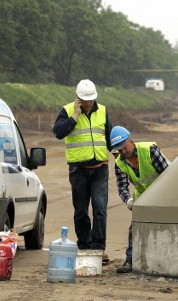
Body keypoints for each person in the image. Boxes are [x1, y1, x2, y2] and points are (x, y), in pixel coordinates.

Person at [53, 79, 112, 263]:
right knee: (80, 210)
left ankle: (99, 248)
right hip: (78, 170)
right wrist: (75, 117)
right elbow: (58, 132)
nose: (88, 103)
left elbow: (110, 137)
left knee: (100, 208)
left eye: (90, 99)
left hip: (100, 168)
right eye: (84, 100)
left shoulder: (102, 111)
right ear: (77, 98)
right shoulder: (67, 111)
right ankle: (85, 246)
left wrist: (119, 154)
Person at [110, 125, 169, 273]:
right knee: (134, 228)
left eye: (125, 147)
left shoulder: (149, 151)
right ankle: (130, 260)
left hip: (165, 193)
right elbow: (122, 187)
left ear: (131, 141)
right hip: (143, 196)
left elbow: (168, 175)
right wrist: (129, 200)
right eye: (120, 150)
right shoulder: (119, 164)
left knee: (166, 226)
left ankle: (166, 260)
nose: (123, 152)